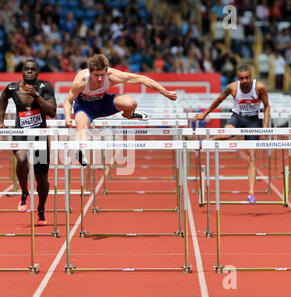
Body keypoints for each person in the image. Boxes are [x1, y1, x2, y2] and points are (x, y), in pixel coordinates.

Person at [63, 53, 177, 165]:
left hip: (103, 103)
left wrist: (166, 92)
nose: (99, 79)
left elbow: (141, 79)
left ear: (106, 71)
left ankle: (129, 114)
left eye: (102, 75)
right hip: (85, 107)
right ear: (90, 72)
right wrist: (68, 117)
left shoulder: (112, 76)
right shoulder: (81, 81)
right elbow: (68, 100)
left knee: (131, 103)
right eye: (96, 75)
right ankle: (81, 151)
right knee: (82, 125)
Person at [194, 65, 271, 204]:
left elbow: (267, 106)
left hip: (253, 121)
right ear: (237, 78)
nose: (245, 80)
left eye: (247, 77)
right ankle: (207, 140)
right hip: (237, 117)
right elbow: (218, 100)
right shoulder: (232, 88)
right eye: (241, 78)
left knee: (251, 157)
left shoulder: (260, 87)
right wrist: (204, 114)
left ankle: (251, 194)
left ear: (251, 76)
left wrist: (265, 127)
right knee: (226, 135)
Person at [0, 59, 57, 225]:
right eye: (26, 69)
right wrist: (1, 120)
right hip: (20, 132)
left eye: (33, 69)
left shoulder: (45, 87)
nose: (29, 71)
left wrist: (36, 96)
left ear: (37, 72)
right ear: (21, 71)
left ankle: (41, 208)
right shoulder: (12, 87)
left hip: (39, 134)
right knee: (22, 159)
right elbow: (3, 98)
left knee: (42, 178)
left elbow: (52, 112)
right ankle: (24, 192)